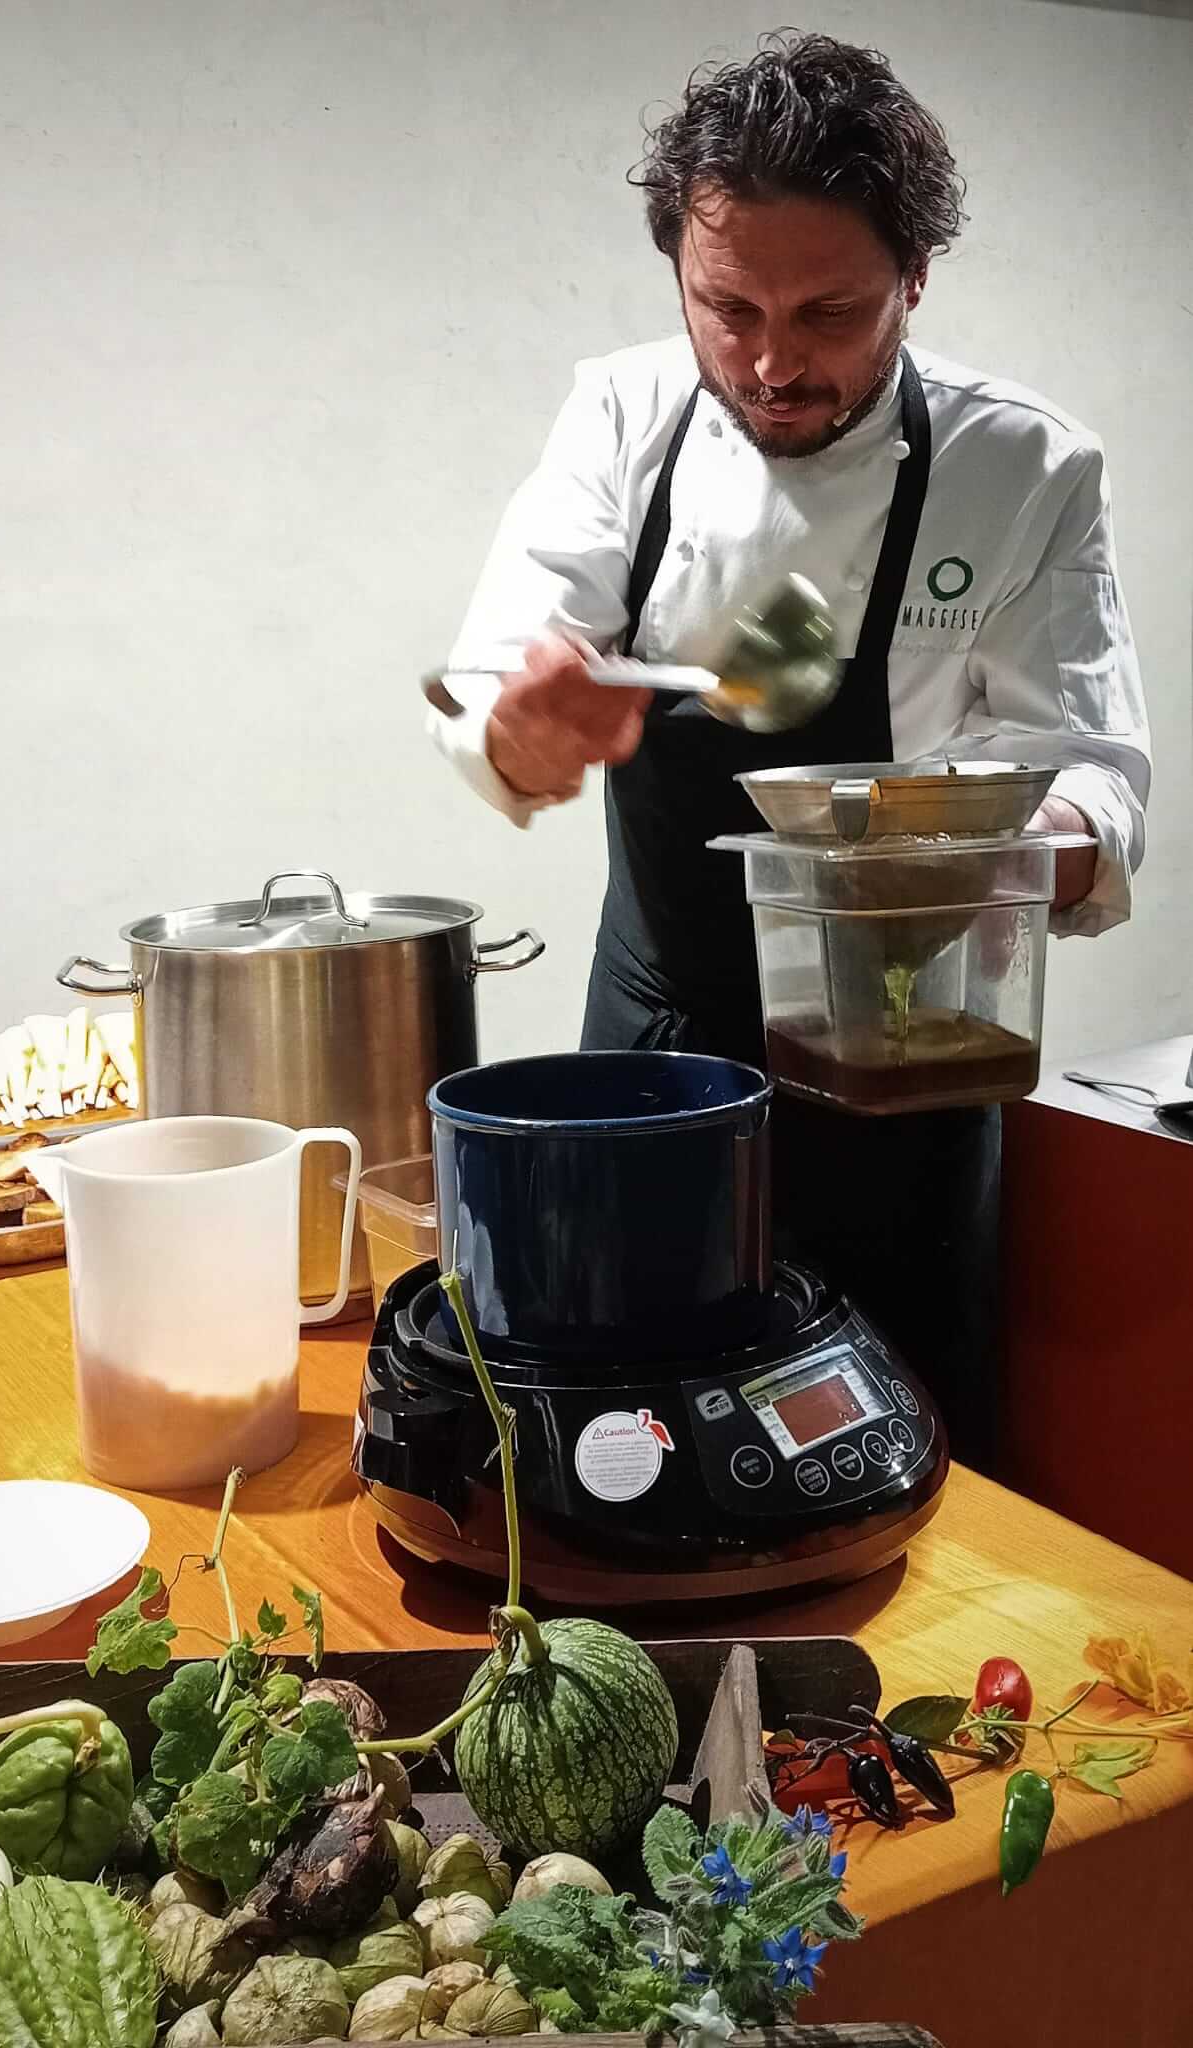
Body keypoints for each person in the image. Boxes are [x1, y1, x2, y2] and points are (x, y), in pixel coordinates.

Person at [428, 33, 1151, 1473]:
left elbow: (1094, 774)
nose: (770, 362)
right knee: (626, 1440)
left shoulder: (1026, 469)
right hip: (657, 1055)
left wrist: (1002, 856)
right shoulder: (623, 414)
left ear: (915, 280)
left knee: (910, 1452)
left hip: (909, 1060)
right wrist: (524, 726)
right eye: (728, 308)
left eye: (830, 312)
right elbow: (502, 674)